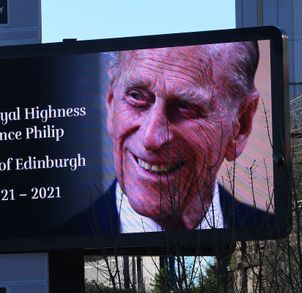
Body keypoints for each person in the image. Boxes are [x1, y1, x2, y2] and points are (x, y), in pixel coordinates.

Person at [62, 41, 273, 234]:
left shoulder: (268, 236)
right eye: (136, 96)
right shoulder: (64, 239)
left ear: (241, 125)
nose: (151, 138)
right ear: (111, 102)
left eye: (185, 108)